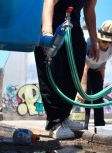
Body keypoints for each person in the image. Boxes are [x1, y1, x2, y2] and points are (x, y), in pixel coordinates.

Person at [34, 0, 99, 139]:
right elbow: (49, 2)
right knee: (52, 69)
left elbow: (89, 10)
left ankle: (64, 116)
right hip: (51, 21)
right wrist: (47, 34)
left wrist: (94, 40)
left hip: (72, 23)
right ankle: (55, 122)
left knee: (75, 65)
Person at [76, 20, 112, 130]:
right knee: (86, 97)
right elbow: (85, 67)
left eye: (110, 42)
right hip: (86, 70)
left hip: (97, 70)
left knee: (98, 98)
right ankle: (84, 125)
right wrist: (82, 88)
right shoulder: (91, 44)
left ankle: (100, 125)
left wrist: (102, 76)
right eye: (104, 41)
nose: (107, 44)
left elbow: (105, 60)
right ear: (98, 38)